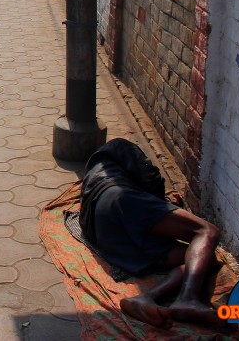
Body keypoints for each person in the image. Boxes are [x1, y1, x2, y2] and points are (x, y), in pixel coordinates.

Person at [80, 138, 222, 329]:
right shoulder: (120, 147)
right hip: (120, 200)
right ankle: (189, 299)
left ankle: (145, 298)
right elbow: (150, 179)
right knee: (207, 231)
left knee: (204, 258)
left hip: (102, 230)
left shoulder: (94, 171)